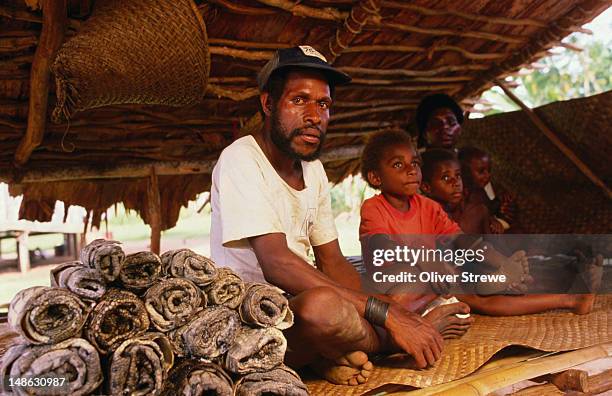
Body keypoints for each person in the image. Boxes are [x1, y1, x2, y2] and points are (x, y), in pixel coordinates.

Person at [210, 46, 460, 386]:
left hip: (299, 304)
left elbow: (334, 262)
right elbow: (277, 263)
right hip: (252, 318)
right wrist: (387, 316)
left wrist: (390, 306)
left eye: (323, 104)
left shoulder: (313, 170)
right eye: (299, 100)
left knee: (401, 289)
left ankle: (328, 354)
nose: (314, 115)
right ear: (268, 104)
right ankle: (395, 338)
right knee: (322, 309)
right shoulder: (241, 158)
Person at [418, 146, 599, 315]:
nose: (455, 183)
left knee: (500, 280)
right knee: (481, 299)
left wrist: (504, 266)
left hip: (460, 272)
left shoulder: (459, 211)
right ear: (426, 187)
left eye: (457, 176)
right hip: (440, 279)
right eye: (446, 178)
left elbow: (474, 246)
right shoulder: (425, 212)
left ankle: (500, 281)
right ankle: (570, 299)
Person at [459, 146, 516, 232]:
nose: (488, 175)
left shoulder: (481, 192)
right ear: (465, 172)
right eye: (481, 171)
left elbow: (490, 212)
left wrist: (497, 216)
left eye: (489, 170)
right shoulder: (459, 195)